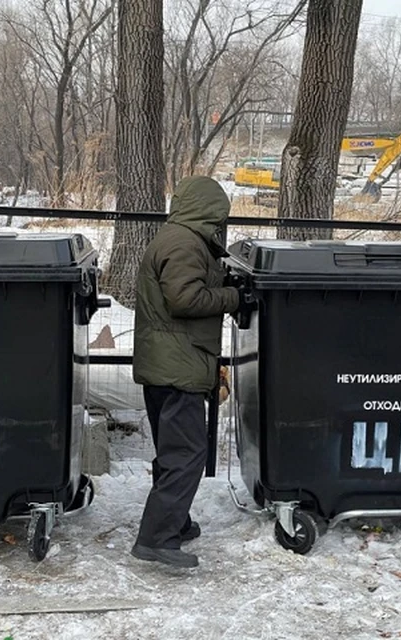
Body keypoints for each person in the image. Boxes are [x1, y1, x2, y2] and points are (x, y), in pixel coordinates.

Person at [131, 176, 252, 569]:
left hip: (167, 362)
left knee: (173, 451)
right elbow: (184, 298)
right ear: (211, 211)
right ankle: (157, 539)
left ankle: (175, 524)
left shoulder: (179, 238)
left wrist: (221, 280)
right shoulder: (184, 243)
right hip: (177, 365)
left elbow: (188, 286)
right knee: (187, 453)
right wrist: (234, 297)